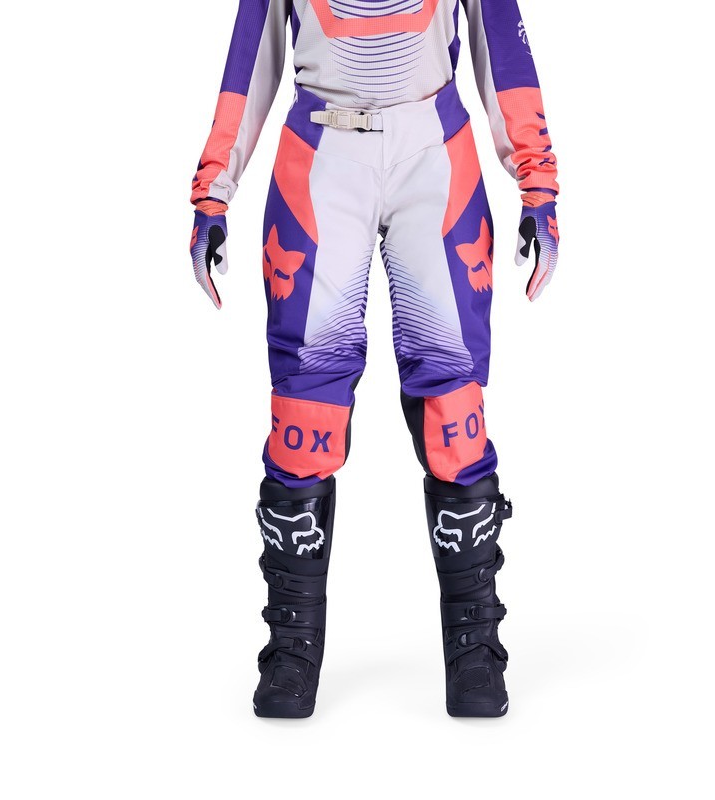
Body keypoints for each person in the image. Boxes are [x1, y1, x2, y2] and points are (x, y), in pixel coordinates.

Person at [188, 0, 559, 718]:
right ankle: (292, 648)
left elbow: (502, 46)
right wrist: (212, 192)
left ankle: (475, 645)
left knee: (455, 412)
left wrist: (538, 183)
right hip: (322, 152)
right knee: (304, 413)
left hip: (434, 148)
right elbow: (250, 54)